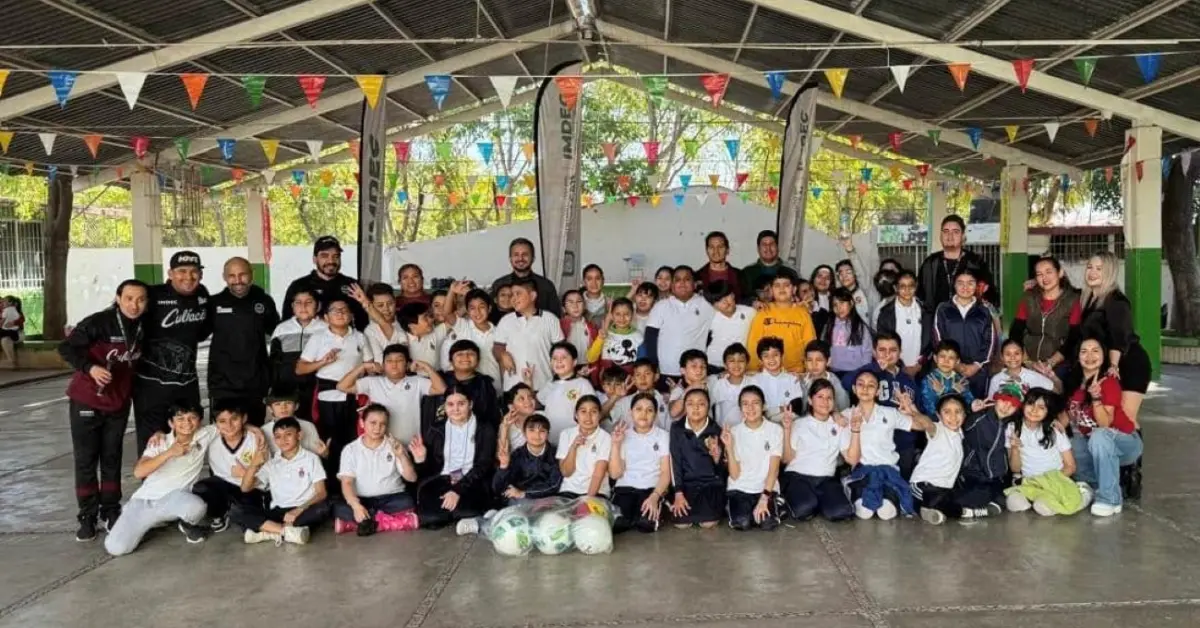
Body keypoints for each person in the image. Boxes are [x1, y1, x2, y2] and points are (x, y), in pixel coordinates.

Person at [59, 279, 148, 541]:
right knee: (87, 460)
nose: (135, 304)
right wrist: (90, 368)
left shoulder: (143, 326)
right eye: (129, 298)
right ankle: (87, 515)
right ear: (118, 298)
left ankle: (111, 510)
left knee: (112, 458)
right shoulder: (99, 322)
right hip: (87, 401)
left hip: (118, 404)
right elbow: (67, 348)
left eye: (141, 299)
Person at [104, 403, 218, 556]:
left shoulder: (204, 435)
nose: (187, 423)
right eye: (180, 419)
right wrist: (169, 453)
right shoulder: (160, 442)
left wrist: (254, 429)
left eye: (192, 418)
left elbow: (230, 425)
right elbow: (139, 472)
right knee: (117, 548)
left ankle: (184, 524)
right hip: (144, 502)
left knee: (196, 507)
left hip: (174, 499)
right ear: (171, 423)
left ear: (200, 421)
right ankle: (134, 520)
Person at [132, 251, 212, 455]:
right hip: (152, 387)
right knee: (154, 442)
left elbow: (203, 332)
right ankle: (151, 486)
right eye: (182, 271)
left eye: (194, 272)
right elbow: (124, 317)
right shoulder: (153, 295)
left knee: (188, 440)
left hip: (187, 384)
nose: (188, 277)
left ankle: (182, 485)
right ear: (170, 273)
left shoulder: (202, 294)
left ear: (201, 275)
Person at [296, 295, 373, 480]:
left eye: (344, 310)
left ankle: (353, 483)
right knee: (330, 440)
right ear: (326, 318)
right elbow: (300, 368)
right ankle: (331, 484)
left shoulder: (360, 337)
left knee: (354, 438)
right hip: (327, 397)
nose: (340, 313)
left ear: (351, 316)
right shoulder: (319, 337)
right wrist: (323, 361)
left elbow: (369, 365)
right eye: (334, 310)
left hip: (354, 395)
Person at [1064, 338, 1143, 517]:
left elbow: (1105, 424)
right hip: (1094, 444)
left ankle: (1110, 499)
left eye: (1095, 351)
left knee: (1099, 436)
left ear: (1104, 355)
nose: (1090, 356)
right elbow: (1068, 415)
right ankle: (1091, 485)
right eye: (1084, 351)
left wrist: (1096, 399)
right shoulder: (1075, 382)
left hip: (1125, 442)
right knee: (1067, 442)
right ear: (1077, 356)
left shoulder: (1109, 382)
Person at [842, 371, 933, 520]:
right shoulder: (845, 415)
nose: (865, 389)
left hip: (888, 472)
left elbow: (924, 426)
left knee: (886, 512)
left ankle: (889, 494)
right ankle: (852, 489)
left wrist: (911, 409)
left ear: (878, 391)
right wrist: (834, 414)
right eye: (860, 384)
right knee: (864, 513)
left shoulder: (889, 413)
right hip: (862, 473)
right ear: (853, 389)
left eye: (871, 385)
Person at [1079, 251, 1152, 426]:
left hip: (1129, 364)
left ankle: (1135, 453)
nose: (1092, 272)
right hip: (1109, 365)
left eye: (1099, 269)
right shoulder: (1089, 298)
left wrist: (1113, 366)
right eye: (1090, 267)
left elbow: (1118, 337)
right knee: (1109, 420)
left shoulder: (1117, 301)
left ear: (1110, 272)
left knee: (1126, 419)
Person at [409, 386, 498, 529]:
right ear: (444, 406)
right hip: (442, 479)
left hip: (471, 480)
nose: (455, 409)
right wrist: (421, 459)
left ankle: (461, 514)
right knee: (428, 517)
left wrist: (457, 490)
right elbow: (429, 470)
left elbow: (483, 464)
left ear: (470, 404)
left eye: (461, 404)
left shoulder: (484, 428)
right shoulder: (435, 429)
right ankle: (460, 516)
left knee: (464, 510)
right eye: (450, 404)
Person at [208, 257, 279, 426]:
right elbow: (196, 334)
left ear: (251, 275)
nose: (238, 280)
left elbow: (278, 335)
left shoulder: (263, 301)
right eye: (232, 276)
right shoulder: (214, 303)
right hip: (223, 384)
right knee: (226, 432)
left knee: (254, 432)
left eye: (242, 275)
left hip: (255, 383)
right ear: (224, 277)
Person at [238, 418, 331, 544]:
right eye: (278, 436)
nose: (283, 440)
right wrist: (254, 464)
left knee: (323, 509)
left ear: (299, 435)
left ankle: (269, 533)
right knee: (240, 513)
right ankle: (286, 532)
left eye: (288, 434)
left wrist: (298, 510)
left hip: (303, 509)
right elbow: (245, 488)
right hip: (279, 511)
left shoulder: (311, 459)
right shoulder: (271, 463)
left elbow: (321, 493)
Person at [332, 404, 419, 536]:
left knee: (407, 502)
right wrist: (356, 506)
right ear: (362, 423)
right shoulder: (350, 450)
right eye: (373, 423)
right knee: (339, 507)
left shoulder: (394, 445)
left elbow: (412, 478)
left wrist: (401, 455)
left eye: (382, 424)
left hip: (391, 499)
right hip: (363, 500)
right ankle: (392, 522)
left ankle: (358, 524)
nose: (377, 428)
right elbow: (347, 483)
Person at [1005, 388, 1092, 516]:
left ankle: (1084, 493)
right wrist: (1014, 448)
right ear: (1023, 405)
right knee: (1014, 503)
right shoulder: (1012, 428)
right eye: (1030, 404)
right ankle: (1040, 497)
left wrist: (1047, 482)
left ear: (1047, 412)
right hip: (1030, 482)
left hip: (1055, 480)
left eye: (1041, 407)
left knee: (1043, 507)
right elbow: (1015, 469)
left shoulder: (1054, 430)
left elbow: (1071, 466)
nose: (1034, 410)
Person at [337, 344, 446, 444]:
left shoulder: (417, 381)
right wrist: (362, 367)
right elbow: (342, 386)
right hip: (381, 446)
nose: (394, 364)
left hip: (411, 446)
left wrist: (427, 367)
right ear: (383, 365)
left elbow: (441, 389)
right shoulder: (372, 382)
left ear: (407, 364)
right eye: (389, 361)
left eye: (399, 360)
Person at [780, 379, 854, 522]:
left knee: (841, 512)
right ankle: (800, 498)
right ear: (809, 400)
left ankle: (822, 499)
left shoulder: (839, 425)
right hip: (798, 476)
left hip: (826, 479)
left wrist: (854, 430)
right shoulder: (799, 424)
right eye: (820, 397)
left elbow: (850, 458)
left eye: (829, 398)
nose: (825, 402)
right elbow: (786, 459)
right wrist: (787, 429)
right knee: (804, 509)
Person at [190, 401, 270, 534]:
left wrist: (246, 474)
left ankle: (240, 513)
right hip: (224, 485)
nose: (229, 425)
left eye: (234, 419)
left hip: (251, 488)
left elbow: (267, 476)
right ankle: (219, 514)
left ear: (244, 418)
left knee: (248, 522)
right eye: (222, 421)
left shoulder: (256, 439)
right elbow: (184, 434)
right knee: (201, 488)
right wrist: (159, 433)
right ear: (216, 423)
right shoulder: (211, 438)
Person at [1009, 256, 1081, 379]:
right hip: (1027, 362)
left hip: (1059, 365)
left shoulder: (1073, 300)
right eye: (1039, 274)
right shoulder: (1028, 297)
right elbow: (1016, 331)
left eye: (1049, 272)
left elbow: (1073, 339)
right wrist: (1027, 361)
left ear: (1060, 273)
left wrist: (1050, 363)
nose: (1044, 278)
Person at [609, 393, 671, 533]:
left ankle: (657, 506)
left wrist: (655, 497)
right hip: (625, 488)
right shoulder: (623, 434)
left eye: (649, 410)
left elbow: (665, 472)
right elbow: (615, 474)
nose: (644, 414)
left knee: (645, 525)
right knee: (617, 525)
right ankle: (632, 514)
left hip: (650, 488)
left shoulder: (662, 436)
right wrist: (616, 445)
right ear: (631, 413)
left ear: (655, 415)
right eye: (639, 409)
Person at [724, 386, 783, 531]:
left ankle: (776, 503)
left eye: (755, 403)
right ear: (740, 408)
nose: (750, 408)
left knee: (767, 524)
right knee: (742, 523)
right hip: (740, 489)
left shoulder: (775, 430)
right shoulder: (734, 432)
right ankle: (732, 505)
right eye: (745, 404)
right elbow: (735, 475)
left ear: (763, 406)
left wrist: (764, 498)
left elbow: (774, 470)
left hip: (766, 489)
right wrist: (729, 448)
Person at [933, 269, 997, 399]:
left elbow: (990, 341)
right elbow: (938, 337)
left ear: (977, 286)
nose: (965, 287)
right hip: (949, 368)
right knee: (951, 405)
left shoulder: (984, 310)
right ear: (954, 285)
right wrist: (955, 363)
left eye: (970, 283)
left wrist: (977, 365)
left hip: (977, 371)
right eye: (960, 283)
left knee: (977, 404)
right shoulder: (943, 309)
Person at [281, 236, 368, 330]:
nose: (331, 261)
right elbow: (287, 324)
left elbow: (362, 323)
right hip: (308, 341)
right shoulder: (299, 285)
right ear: (314, 259)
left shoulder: (352, 285)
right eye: (324, 256)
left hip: (344, 341)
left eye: (336, 256)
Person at [494, 276, 564, 391]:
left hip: (544, 386)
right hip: (513, 388)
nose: (513, 299)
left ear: (532, 296)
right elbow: (497, 348)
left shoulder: (550, 319)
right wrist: (502, 354)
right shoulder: (506, 321)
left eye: (518, 294)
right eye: (512, 295)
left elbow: (561, 351)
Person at [669, 388, 726, 529]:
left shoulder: (716, 430)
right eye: (690, 404)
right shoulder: (676, 429)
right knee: (682, 524)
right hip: (686, 485)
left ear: (708, 406)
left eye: (701, 404)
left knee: (708, 523)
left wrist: (717, 458)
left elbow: (721, 470)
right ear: (685, 407)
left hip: (710, 485)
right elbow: (675, 462)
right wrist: (678, 492)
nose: (696, 408)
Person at [645, 265, 714, 380]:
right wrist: (653, 365)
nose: (682, 283)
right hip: (666, 371)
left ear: (695, 284)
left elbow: (713, 334)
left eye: (687, 279)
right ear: (672, 285)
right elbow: (650, 338)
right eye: (677, 280)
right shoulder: (661, 306)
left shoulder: (707, 305)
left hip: (696, 372)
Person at [916, 215, 996, 314]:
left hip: (969, 322)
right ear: (941, 235)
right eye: (946, 231)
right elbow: (919, 297)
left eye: (955, 232)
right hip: (935, 323)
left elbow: (990, 294)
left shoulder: (976, 262)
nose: (950, 236)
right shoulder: (930, 263)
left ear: (962, 236)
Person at [269, 288, 327, 421]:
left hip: (316, 387)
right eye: (298, 303)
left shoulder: (325, 329)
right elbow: (274, 363)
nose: (303, 306)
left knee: (314, 422)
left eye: (309, 302)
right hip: (287, 387)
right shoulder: (281, 329)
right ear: (292, 306)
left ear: (317, 306)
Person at [908, 395, 966, 525]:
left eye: (958, 411)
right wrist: (913, 411)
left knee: (957, 505)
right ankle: (924, 509)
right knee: (932, 497)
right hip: (922, 485)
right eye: (947, 412)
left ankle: (930, 511)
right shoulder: (938, 429)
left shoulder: (960, 435)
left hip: (943, 489)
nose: (953, 416)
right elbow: (926, 423)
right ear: (939, 416)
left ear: (964, 415)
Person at [746, 269, 816, 374]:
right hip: (767, 372)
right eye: (777, 285)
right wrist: (753, 370)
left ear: (794, 289)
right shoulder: (763, 313)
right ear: (772, 290)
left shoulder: (803, 314)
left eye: (786, 285)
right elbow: (753, 345)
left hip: (796, 374)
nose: (781, 288)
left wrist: (808, 371)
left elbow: (811, 345)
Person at [441, 283, 502, 392]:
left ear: (489, 308)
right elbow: (447, 314)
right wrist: (452, 291)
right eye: (472, 308)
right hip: (468, 390)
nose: (477, 312)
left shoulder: (500, 332)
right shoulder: (463, 326)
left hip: (495, 388)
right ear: (467, 311)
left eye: (481, 307)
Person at [492, 413, 563, 504]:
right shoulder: (518, 455)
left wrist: (524, 493)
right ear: (524, 433)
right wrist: (503, 466)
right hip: (520, 501)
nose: (537, 435)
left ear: (548, 434)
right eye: (532, 430)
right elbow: (498, 488)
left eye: (542, 431)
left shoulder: (555, 454)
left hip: (546, 499)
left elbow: (554, 485)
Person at [535, 342, 597, 443]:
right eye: (554, 358)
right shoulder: (549, 384)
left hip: (574, 442)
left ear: (574, 362)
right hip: (550, 442)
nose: (558, 361)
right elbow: (536, 403)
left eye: (563, 357)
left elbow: (594, 412)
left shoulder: (582, 384)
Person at [874, 270, 930, 378]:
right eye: (902, 286)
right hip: (894, 368)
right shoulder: (886, 313)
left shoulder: (926, 311)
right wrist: (900, 366)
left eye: (911, 286)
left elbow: (930, 343)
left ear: (916, 286)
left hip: (921, 369)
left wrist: (919, 365)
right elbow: (882, 343)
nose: (907, 290)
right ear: (896, 288)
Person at [556, 395, 612, 498]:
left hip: (596, 492)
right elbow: (566, 472)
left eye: (593, 412)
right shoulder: (566, 434)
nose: (588, 416)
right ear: (576, 415)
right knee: (555, 514)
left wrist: (587, 500)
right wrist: (573, 447)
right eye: (583, 411)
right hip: (569, 490)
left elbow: (598, 475)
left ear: (599, 415)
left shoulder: (605, 437)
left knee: (588, 514)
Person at [490, 238, 562, 317]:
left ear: (533, 258)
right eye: (516, 255)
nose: (520, 258)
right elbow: (490, 316)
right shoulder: (499, 284)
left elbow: (556, 317)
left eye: (525, 254)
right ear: (510, 259)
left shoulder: (546, 286)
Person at [918, 340, 979, 417]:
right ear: (935, 358)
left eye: (951, 357)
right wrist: (944, 393)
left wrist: (975, 403)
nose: (946, 361)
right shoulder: (929, 380)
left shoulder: (961, 380)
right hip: (936, 424)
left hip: (958, 422)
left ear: (957, 361)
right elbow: (930, 409)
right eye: (942, 356)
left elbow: (968, 402)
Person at [822, 288, 873, 378]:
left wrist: (865, 372)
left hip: (856, 372)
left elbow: (867, 352)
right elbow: (823, 349)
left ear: (851, 303)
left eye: (842, 303)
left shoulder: (860, 327)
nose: (839, 308)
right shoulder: (829, 326)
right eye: (835, 305)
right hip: (834, 372)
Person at [586, 297, 643, 379]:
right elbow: (591, 358)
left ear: (632, 315)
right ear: (611, 315)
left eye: (626, 314)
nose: (622, 318)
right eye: (618, 314)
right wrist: (600, 339)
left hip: (630, 385)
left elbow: (642, 364)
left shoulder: (638, 335)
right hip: (608, 385)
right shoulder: (604, 334)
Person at [747, 338, 802, 422]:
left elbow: (797, 407)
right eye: (766, 356)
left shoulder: (793, 379)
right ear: (760, 360)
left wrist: (771, 412)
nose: (771, 359)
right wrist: (781, 409)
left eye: (775, 355)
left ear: (782, 356)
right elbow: (757, 410)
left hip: (790, 423)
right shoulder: (754, 381)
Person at [705, 281, 754, 372]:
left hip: (740, 366)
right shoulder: (709, 317)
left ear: (733, 295)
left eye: (727, 296)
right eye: (718, 300)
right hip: (714, 366)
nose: (725, 302)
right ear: (713, 305)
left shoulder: (750, 312)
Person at [262, 391, 326, 457]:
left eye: (288, 403)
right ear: (270, 409)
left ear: (296, 406)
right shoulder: (264, 430)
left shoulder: (308, 426)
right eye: (277, 404)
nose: (283, 407)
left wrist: (324, 454)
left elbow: (317, 453)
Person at [988, 339, 1058, 398]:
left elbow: (1058, 391)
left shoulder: (1034, 376)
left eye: (1017, 353)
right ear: (1002, 357)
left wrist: (1053, 377)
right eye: (1008, 354)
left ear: (1023, 355)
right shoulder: (996, 379)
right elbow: (991, 403)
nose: (1012, 357)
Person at [356, 283, 405, 361]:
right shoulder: (370, 331)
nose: (386, 309)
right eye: (380, 305)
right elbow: (379, 361)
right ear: (372, 306)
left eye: (390, 303)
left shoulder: (405, 321)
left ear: (395, 301)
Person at [708, 343, 753, 428]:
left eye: (741, 361)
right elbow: (708, 408)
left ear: (747, 364)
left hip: (748, 431)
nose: (736, 365)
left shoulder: (753, 383)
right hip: (724, 432)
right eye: (732, 361)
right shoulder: (718, 385)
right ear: (725, 365)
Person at [799, 341, 850, 411]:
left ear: (828, 361)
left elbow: (844, 409)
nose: (814, 364)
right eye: (809, 360)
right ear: (805, 362)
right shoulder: (800, 381)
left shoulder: (835, 384)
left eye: (819, 360)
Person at [397, 302, 448, 372]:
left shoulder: (435, 333)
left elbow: (453, 320)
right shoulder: (400, 339)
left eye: (429, 316)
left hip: (437, 376)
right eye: (425, 318)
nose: (431, 320)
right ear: (412, 325)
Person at [741, 230, 795, 295]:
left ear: (777, 247)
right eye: (764, 244)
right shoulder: (747, 273)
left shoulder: (791, 272)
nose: (768, 248)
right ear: (758, 249)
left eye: (772, 244)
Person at [696, 231, 744, 300]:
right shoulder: (697, 276)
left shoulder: (740, 275)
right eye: (712, 247)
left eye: (720, 247)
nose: (716, 251)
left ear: (727, 250)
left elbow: (746, 299)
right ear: (706, 250)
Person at [560, 289, 599, 361]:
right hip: (567, 369)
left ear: (584, 306)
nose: (575, 306)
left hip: (587, 368)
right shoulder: (559, 327)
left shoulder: (592, 327)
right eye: (570, 302)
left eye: (579, 301)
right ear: (564, 309)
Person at [0, 295, 22, 368]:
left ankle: (11, 361)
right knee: (5, 339)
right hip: (10, 332)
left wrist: (14, 323)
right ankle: (11, 362)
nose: (2, 304)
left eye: (2, 302)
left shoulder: (7, 311)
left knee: (5, 339)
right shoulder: (11, 310)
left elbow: (21, 320)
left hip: (15, 332)